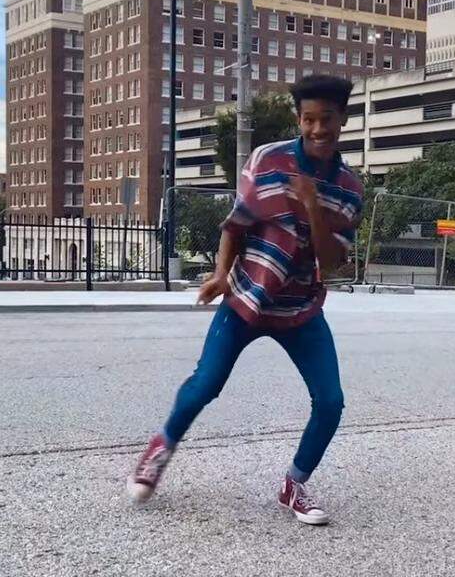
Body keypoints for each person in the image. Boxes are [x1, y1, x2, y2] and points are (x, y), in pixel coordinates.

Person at [126, 75, 364, 526]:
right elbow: (235, 224)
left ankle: (294, 483)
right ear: (299, 119)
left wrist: (313, 207)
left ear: (342, 121)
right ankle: (159, 450)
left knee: (330, 401)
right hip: (247, 298)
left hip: (300, 308)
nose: (317, 129)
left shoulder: (349, 188)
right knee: (206, 383)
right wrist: (219, 273)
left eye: (327, 120)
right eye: (308, 119)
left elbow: (332, 260)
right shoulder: (268, 159)